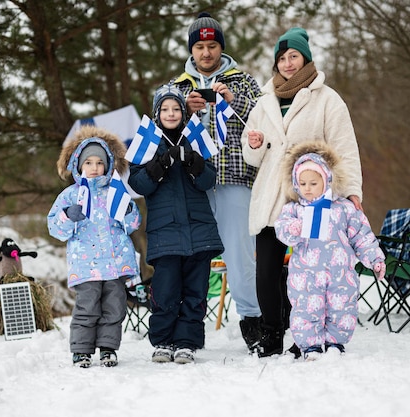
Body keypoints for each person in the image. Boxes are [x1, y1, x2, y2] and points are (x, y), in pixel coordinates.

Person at [241, 27, 365, 357]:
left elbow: (345, 148)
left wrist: (352, 191)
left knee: (307, 272)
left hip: (310, 198)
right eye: (281, 58)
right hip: (271, 196)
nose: (287, 63)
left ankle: (304, 335)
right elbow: (251, 154)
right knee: (266, 269)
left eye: (293, 56)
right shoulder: (264, 100)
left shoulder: (327, 99)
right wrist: (253, 145)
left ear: (306, 58)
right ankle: (270, 334)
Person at [171, 12, 263, 353]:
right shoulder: (177, 87)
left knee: (239, 253)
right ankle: (185, 327)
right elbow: (159, 128)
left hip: (234, 178)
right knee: (191, 255)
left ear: (220, 47)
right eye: (199, 46)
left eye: (212, 46)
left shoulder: (243, 81)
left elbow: (263, 117)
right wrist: (185, 109)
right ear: (192, 50)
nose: (206, 53)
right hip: (192, 183)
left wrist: (232, 100)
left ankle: (253, 320)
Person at [128, 85, 224, 364]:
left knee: (195, 292)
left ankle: (187, 342)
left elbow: (209, 181)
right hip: (165, 233)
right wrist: (158, 166)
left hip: (199, 230)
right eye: (165, 109)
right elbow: (137, 183)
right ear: (157, 114)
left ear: (183, 113)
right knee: (165, 291)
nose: (171, 113)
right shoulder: (148, 143)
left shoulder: (193, 138)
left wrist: (193, 161)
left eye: (176, 109)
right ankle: (163, 340)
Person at [274, 141, 385, 361]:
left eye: (313, 183)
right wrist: (292, 229)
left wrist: (375, 259)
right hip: (306, 275)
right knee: (306, 310)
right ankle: (310, 346)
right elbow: (282, 231)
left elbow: (361, 235)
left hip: (340, 273)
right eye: (302, 183)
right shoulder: (294, 209)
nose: (307, 188)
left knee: (341, 307)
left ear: (326, 181)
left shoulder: (343, 208)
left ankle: (336, 343)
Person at [48, 125, 142, 368]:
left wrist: (129, 210)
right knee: (87, 308)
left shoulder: (115, 192)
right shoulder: (70, 195)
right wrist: (68, 216)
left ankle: (108, 348)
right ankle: (81, 350)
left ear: (108, 165)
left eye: (99, 163)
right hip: (86, 265)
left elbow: (132, 224)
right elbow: (56, 229)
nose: (94, 168)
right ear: (79, 165)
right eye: (88, 162)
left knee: (114, 308)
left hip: (115, 263)